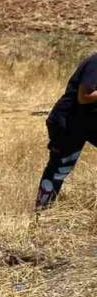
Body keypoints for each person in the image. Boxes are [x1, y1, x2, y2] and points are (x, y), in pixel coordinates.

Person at [36, 51, 97, 210]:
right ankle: (41, 214)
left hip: (89, 121)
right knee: (60, 168)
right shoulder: (95, 62)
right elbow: (84, 97)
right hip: (68, 122)